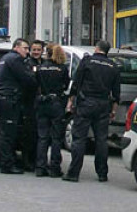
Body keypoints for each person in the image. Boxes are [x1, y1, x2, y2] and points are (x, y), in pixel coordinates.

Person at [64, 40, 121, 182]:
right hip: (103, 105)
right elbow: (116, 93)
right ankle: (102, 174)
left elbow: (77, 82)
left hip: (86, 103)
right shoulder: (113, 66)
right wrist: (113, 110)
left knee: (79, 139)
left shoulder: (87, 61)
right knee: (101, 140)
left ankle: (73, 173)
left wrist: (71, 101)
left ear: (97, 48)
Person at [0, 39, 36, 174]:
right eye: (25, 48)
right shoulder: (15, 59)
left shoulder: (6, 57)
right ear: (16, 47)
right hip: (8, 98)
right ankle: (7, 164)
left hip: (2, 97)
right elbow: (27, 79)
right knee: (8, 133)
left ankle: (8, 162)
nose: (27, 52)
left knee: (6, 131)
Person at [34, 44, 70, 178]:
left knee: (42, 137)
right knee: (56, 138)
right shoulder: (62, 68)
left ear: (46, 53)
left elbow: (36, 83)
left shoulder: (40, 67)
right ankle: (55, 168)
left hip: (43, 102)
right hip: (56, 103)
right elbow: (66, 84)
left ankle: (40, 167)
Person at [19, 40, 45, 171]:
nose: (35, 52)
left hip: (41, 103)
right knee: (28, 133)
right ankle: (27, 161)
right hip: (29, 102)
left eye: (38, 50)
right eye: (33, 49)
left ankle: (37, 160)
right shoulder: (27, 63)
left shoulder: (45, 63)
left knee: (38, 134)